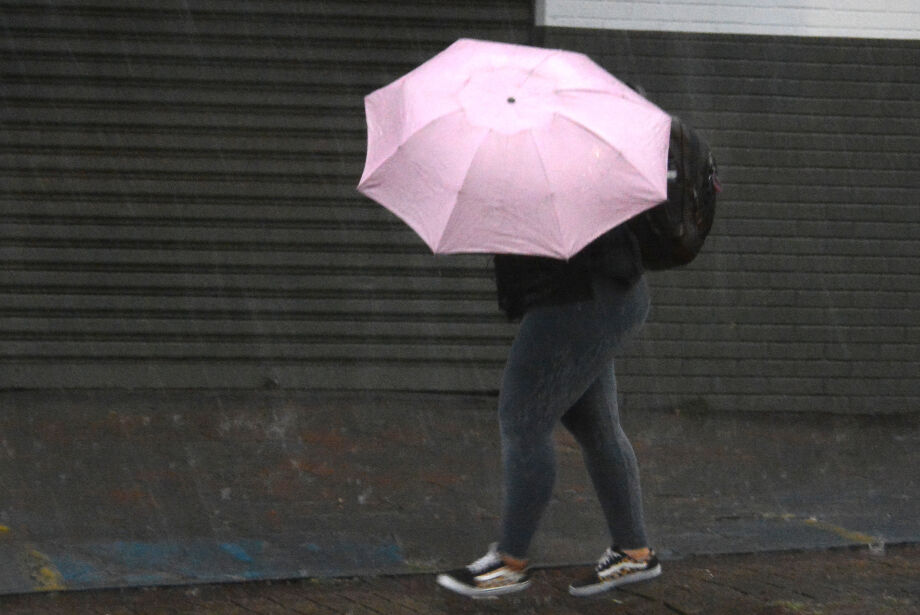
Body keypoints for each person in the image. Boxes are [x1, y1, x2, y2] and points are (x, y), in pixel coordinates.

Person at [436, 222, 661, 598]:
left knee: (523, 421)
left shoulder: (549, 167)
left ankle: (510, 563)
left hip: (580, 297)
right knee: (595, 426)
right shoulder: (565, 166)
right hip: (606, 292)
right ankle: (633, 551)